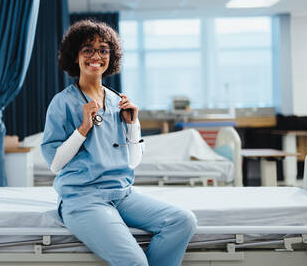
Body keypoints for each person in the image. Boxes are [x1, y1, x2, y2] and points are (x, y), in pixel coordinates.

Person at [41, 19, 196, 266]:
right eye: (87, 49)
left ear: (111, 57)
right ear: (75, 56)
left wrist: (133, 123)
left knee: (182, 221)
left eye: (103, 49)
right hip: (83, 198)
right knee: (135, 262)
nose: (96, 56)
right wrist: (83, 128)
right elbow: (55, 165)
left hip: (122, 194)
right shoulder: (63, 103)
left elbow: (132, 162)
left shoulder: (118, 101)